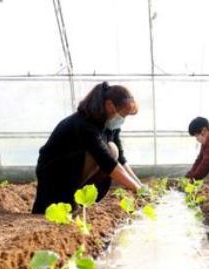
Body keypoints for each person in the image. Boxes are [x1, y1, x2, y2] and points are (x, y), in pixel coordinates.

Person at [32, 82, 143, 214]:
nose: (122, 119)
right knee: (111, 151)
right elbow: (107, 162)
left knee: (114, 149)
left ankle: (77, 200)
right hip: (55, 173)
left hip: (73, 169)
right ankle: (66, 199)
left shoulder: (109, 125)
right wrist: (136, 188)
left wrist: (140, 185)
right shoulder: (85, 123)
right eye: (122, 115)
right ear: (109, 105)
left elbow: (122, 160)